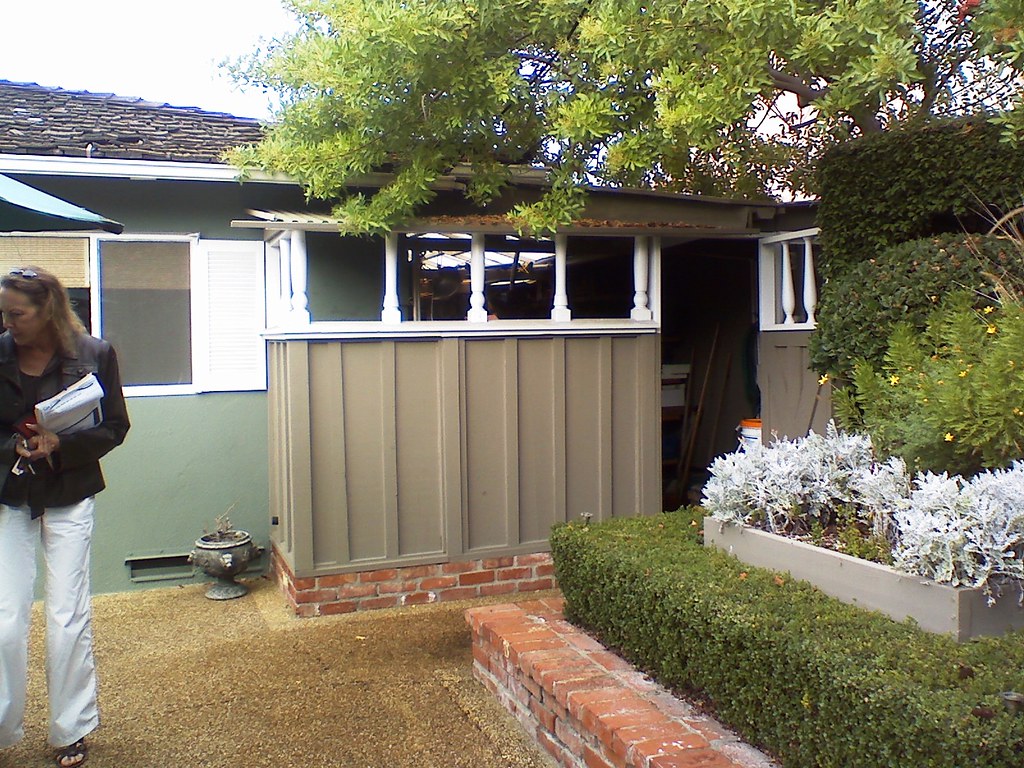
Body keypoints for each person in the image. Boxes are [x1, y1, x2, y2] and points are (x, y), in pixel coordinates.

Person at [0, 266, 130, 768]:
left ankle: (70, 730)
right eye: (4, 313)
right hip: (9, 491)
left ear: (48, 309)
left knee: (66, 613)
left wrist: (62, 443)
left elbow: (116, 426)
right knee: (7, 617)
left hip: (70, 491)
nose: (9, 322)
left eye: (18, 313)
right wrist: (13, 442)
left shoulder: (95, 354)